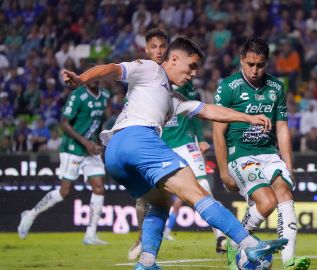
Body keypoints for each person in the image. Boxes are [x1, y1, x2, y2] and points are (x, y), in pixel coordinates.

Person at [61, 37, 287, 270]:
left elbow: (209, 110)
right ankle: (249, 243)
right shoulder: (151, 69)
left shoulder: (174, 99)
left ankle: (146, 262)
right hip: (138, 139)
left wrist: (248, 118)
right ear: (175, 59)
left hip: (114, 154)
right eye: (191, 66)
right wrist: (82, 79)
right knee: (197, 191)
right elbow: (112, 69)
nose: (193, 74)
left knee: (160, 203)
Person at [127, 28, 226, 261]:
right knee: (145, 198)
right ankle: (142, 238)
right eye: (154, 46)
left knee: (203, 185)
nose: (159, 51)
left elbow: (193, 108)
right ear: (146, 49)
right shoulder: (142, 76)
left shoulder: (183, 75)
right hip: (156, 143)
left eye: (163, 46)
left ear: (170, 51)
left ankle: (220, 236)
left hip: (183, 140)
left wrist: (200, 138)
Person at [213, 37, 310, 270]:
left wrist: (289, 164)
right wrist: (224, 171)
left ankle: (289, 262)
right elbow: (218, 132)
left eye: (260, 65)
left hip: (268, 153)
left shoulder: (277, 87)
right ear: (241, 61)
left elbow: (283, 128)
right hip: (241, 155)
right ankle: (236, 244)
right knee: (267, 203)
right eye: (250, 64)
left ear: (267, 63)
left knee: (284, 193)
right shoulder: (228, 87)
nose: (255, 70)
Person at [18, 72, 110, 245]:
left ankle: (90, 235)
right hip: (73, 148)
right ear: (87, 78)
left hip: (91, 149)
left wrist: (98, 143)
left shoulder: (105, 96)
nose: (95, 78)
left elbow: (98, 122)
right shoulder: (78, 96)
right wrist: (85, 142)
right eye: (91, 76)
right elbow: (64, 123)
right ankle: (30, 214)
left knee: (98, 187)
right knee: (64, 192)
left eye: (97, 75)